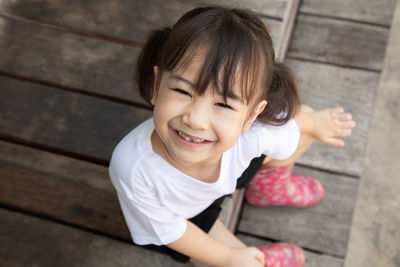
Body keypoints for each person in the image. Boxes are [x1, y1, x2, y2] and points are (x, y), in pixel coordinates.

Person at [108, 6, 355, 267]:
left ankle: (269, 187)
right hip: (187, 216)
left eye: (224, 105)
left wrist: (314, 123)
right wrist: (229, 257)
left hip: (234, 169)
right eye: (183, 91)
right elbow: (172, 232)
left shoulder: (254, 133)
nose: (196, 119)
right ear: (158, 85)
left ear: (251, 115)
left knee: (300, 118)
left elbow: (297, 126)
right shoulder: (133, 169)